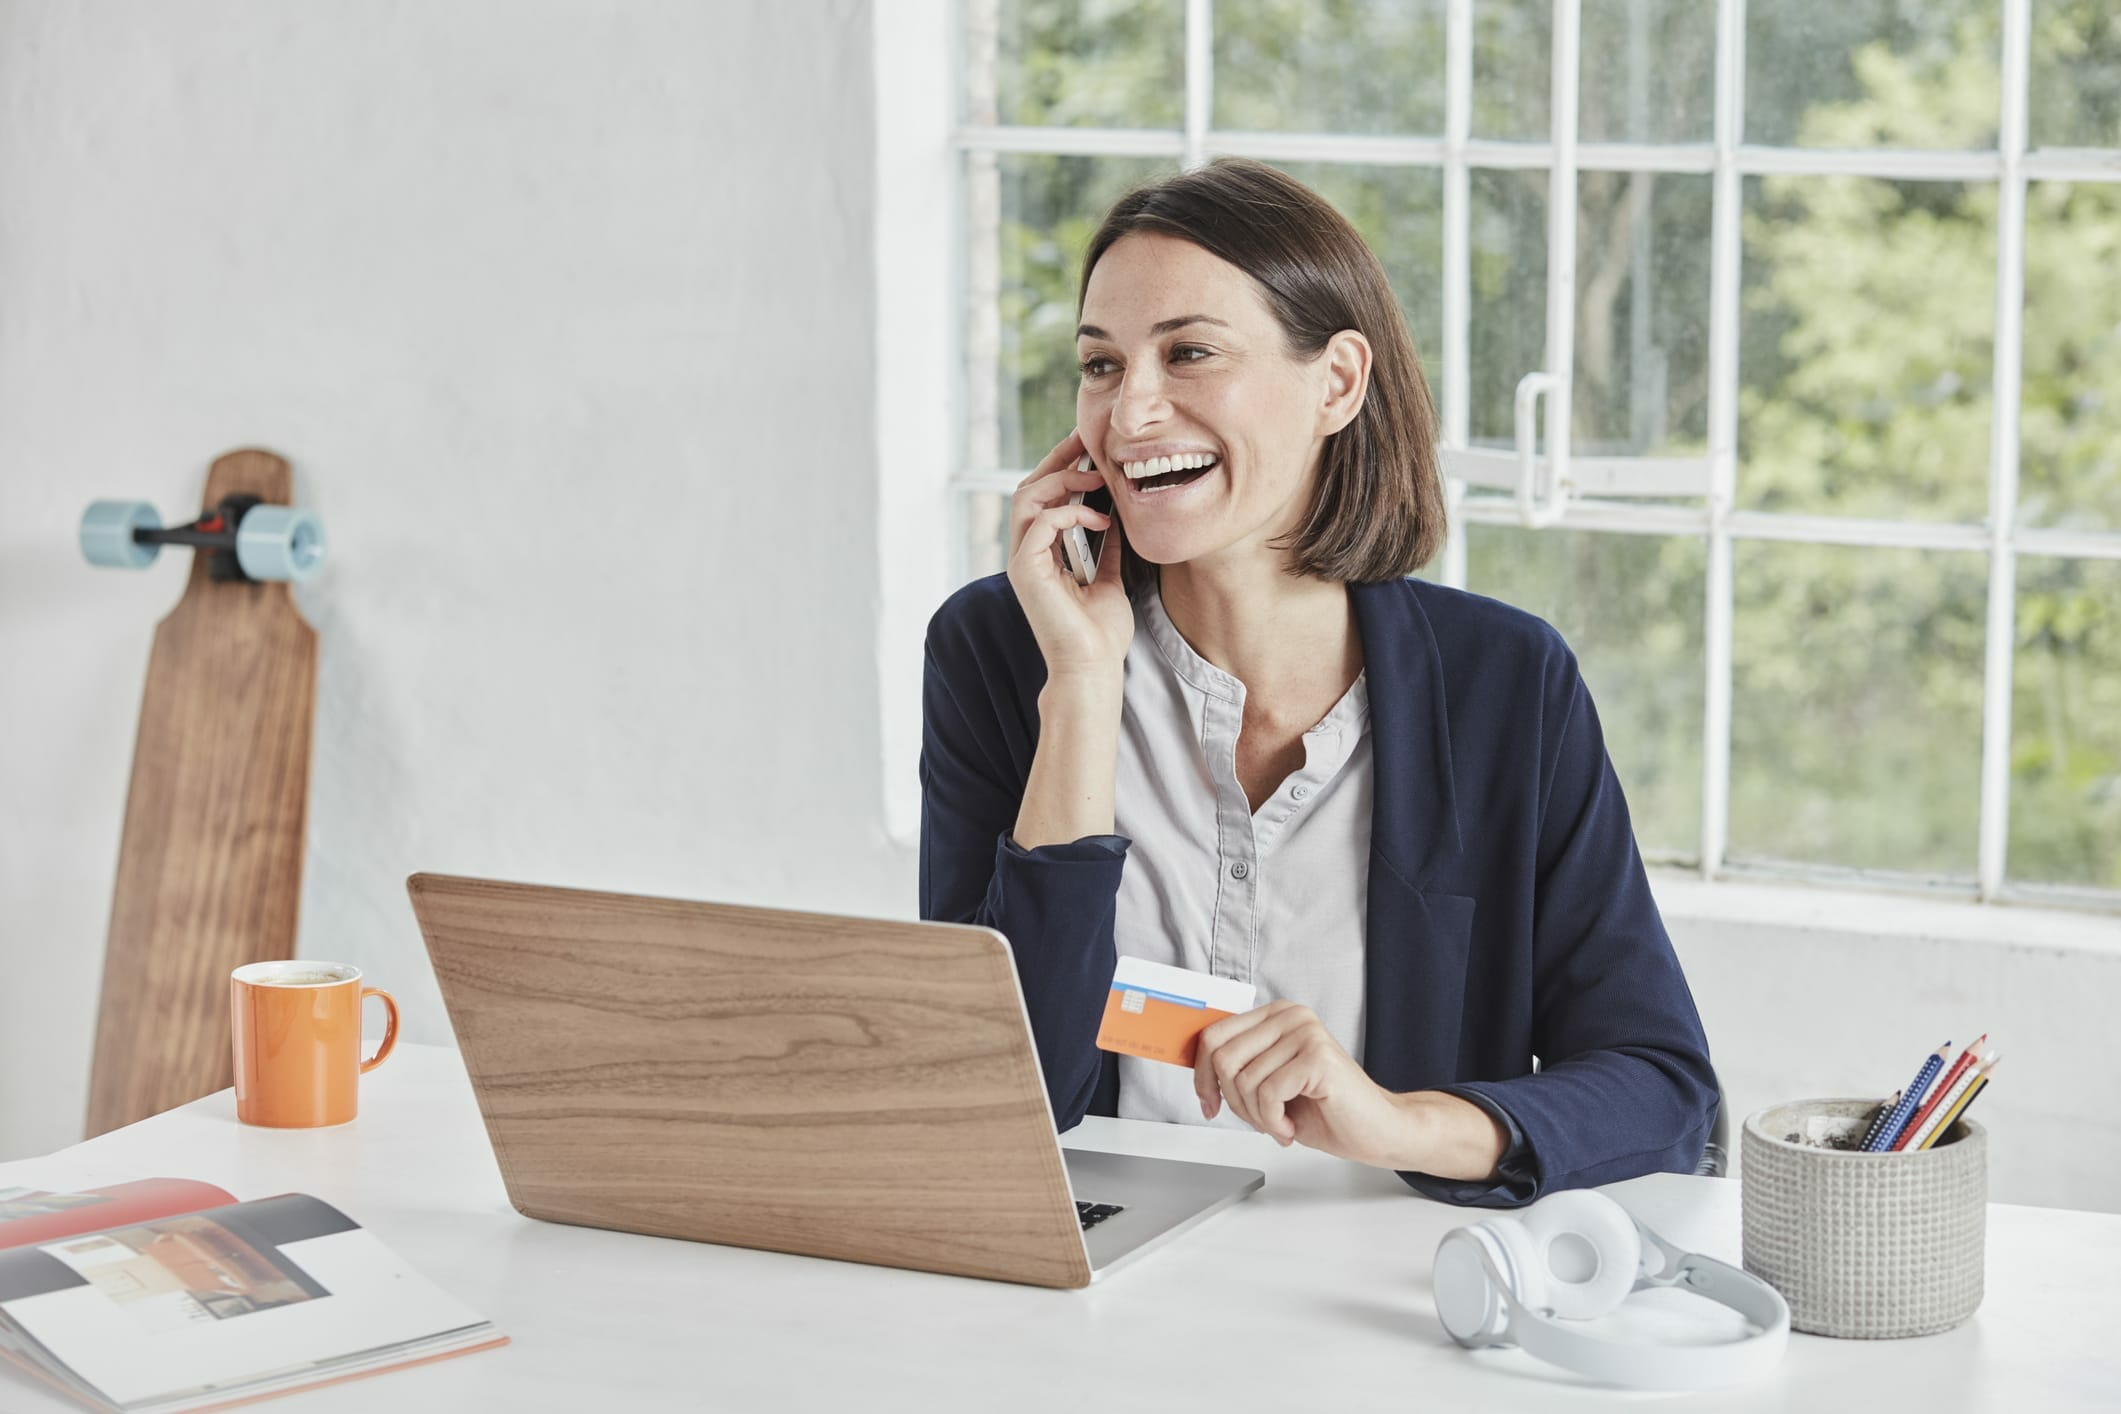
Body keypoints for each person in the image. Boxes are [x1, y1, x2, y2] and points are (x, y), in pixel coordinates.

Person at [918, 157, 1717, 1207]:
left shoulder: (1508, 685)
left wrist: (1400, 1119)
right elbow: (987, 1096)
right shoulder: (1001, 648)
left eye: (1188, 353)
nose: (1131, 413)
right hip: (1086, 1288)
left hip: (1396, 1298)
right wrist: (1079, 682)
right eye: (1102, 366)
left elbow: (1665, 1096)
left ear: (1337, 382)